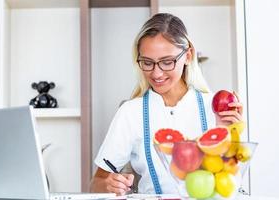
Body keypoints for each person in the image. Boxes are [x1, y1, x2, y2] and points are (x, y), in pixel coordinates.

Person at [90, 13, 243, 195]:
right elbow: (96, 183)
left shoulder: (215, 110)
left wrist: (229, 135)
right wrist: (110, 185)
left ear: (188, 56)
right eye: (147, 62)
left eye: (167, 62)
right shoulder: (130, 112)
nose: (156, 73)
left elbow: (232, 185)